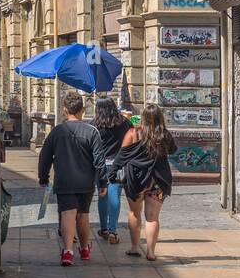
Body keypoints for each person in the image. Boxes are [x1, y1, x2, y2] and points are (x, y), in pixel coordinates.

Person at [37, 90, 103, 267]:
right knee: (83, 215)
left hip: (64, 180)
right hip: (85, 181)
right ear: (82, 109)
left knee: (67, 213)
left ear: (65, 110)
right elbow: (99, 160)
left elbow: (44, 156)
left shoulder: (57, 132)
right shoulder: (92, 132)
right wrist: (102, 182)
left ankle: (67, 252)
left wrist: (43, 177)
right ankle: (84, 249)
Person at [108, 103, 178, 261]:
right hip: (158, 180)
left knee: (134, 213)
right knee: (152, 217)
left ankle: (134, 247)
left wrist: (112, 173)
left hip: (136, 180)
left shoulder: (133, 133)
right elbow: (173, 150)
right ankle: (151, 252)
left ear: (143, 118)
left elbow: (122, 155)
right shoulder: (164, 135)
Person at [92, 96, 132, 245]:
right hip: (118, 165)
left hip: (100, 166)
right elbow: (133, 134)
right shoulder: (123, 122)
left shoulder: (94, 125)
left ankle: (103, 229)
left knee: (102, 195)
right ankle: (113, 231)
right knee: (114, 196)